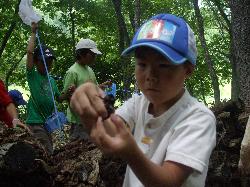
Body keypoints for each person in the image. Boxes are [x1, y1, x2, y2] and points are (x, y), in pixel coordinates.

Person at [70, 13, 216, 187]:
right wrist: (89, 105)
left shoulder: (198, 118)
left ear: (188, 70)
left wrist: (131, 152)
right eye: (142, 64)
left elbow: (169, 181)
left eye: (163, 65)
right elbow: (111, 132)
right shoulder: (138, 104)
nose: (150, 76)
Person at [59, 38, 111, 141]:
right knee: (78, 149)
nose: (94, 57)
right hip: (79, 121)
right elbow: (66, 97)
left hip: (91, 118)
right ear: (83, 54)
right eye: (92, 54)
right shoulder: (72, 72)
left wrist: (102, 86)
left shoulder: (89, 69)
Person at [26, 22, 60, 154]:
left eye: (50, 62)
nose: (48, 65)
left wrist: (68, 92)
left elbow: (59, 98)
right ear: (35, 62)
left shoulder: (51, 80)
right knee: (48, 151)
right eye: (44, 62)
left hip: (47, 124)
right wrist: (33, 33)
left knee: (47, 149)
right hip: (35, 122)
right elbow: (29, 52)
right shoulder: (32, 76)